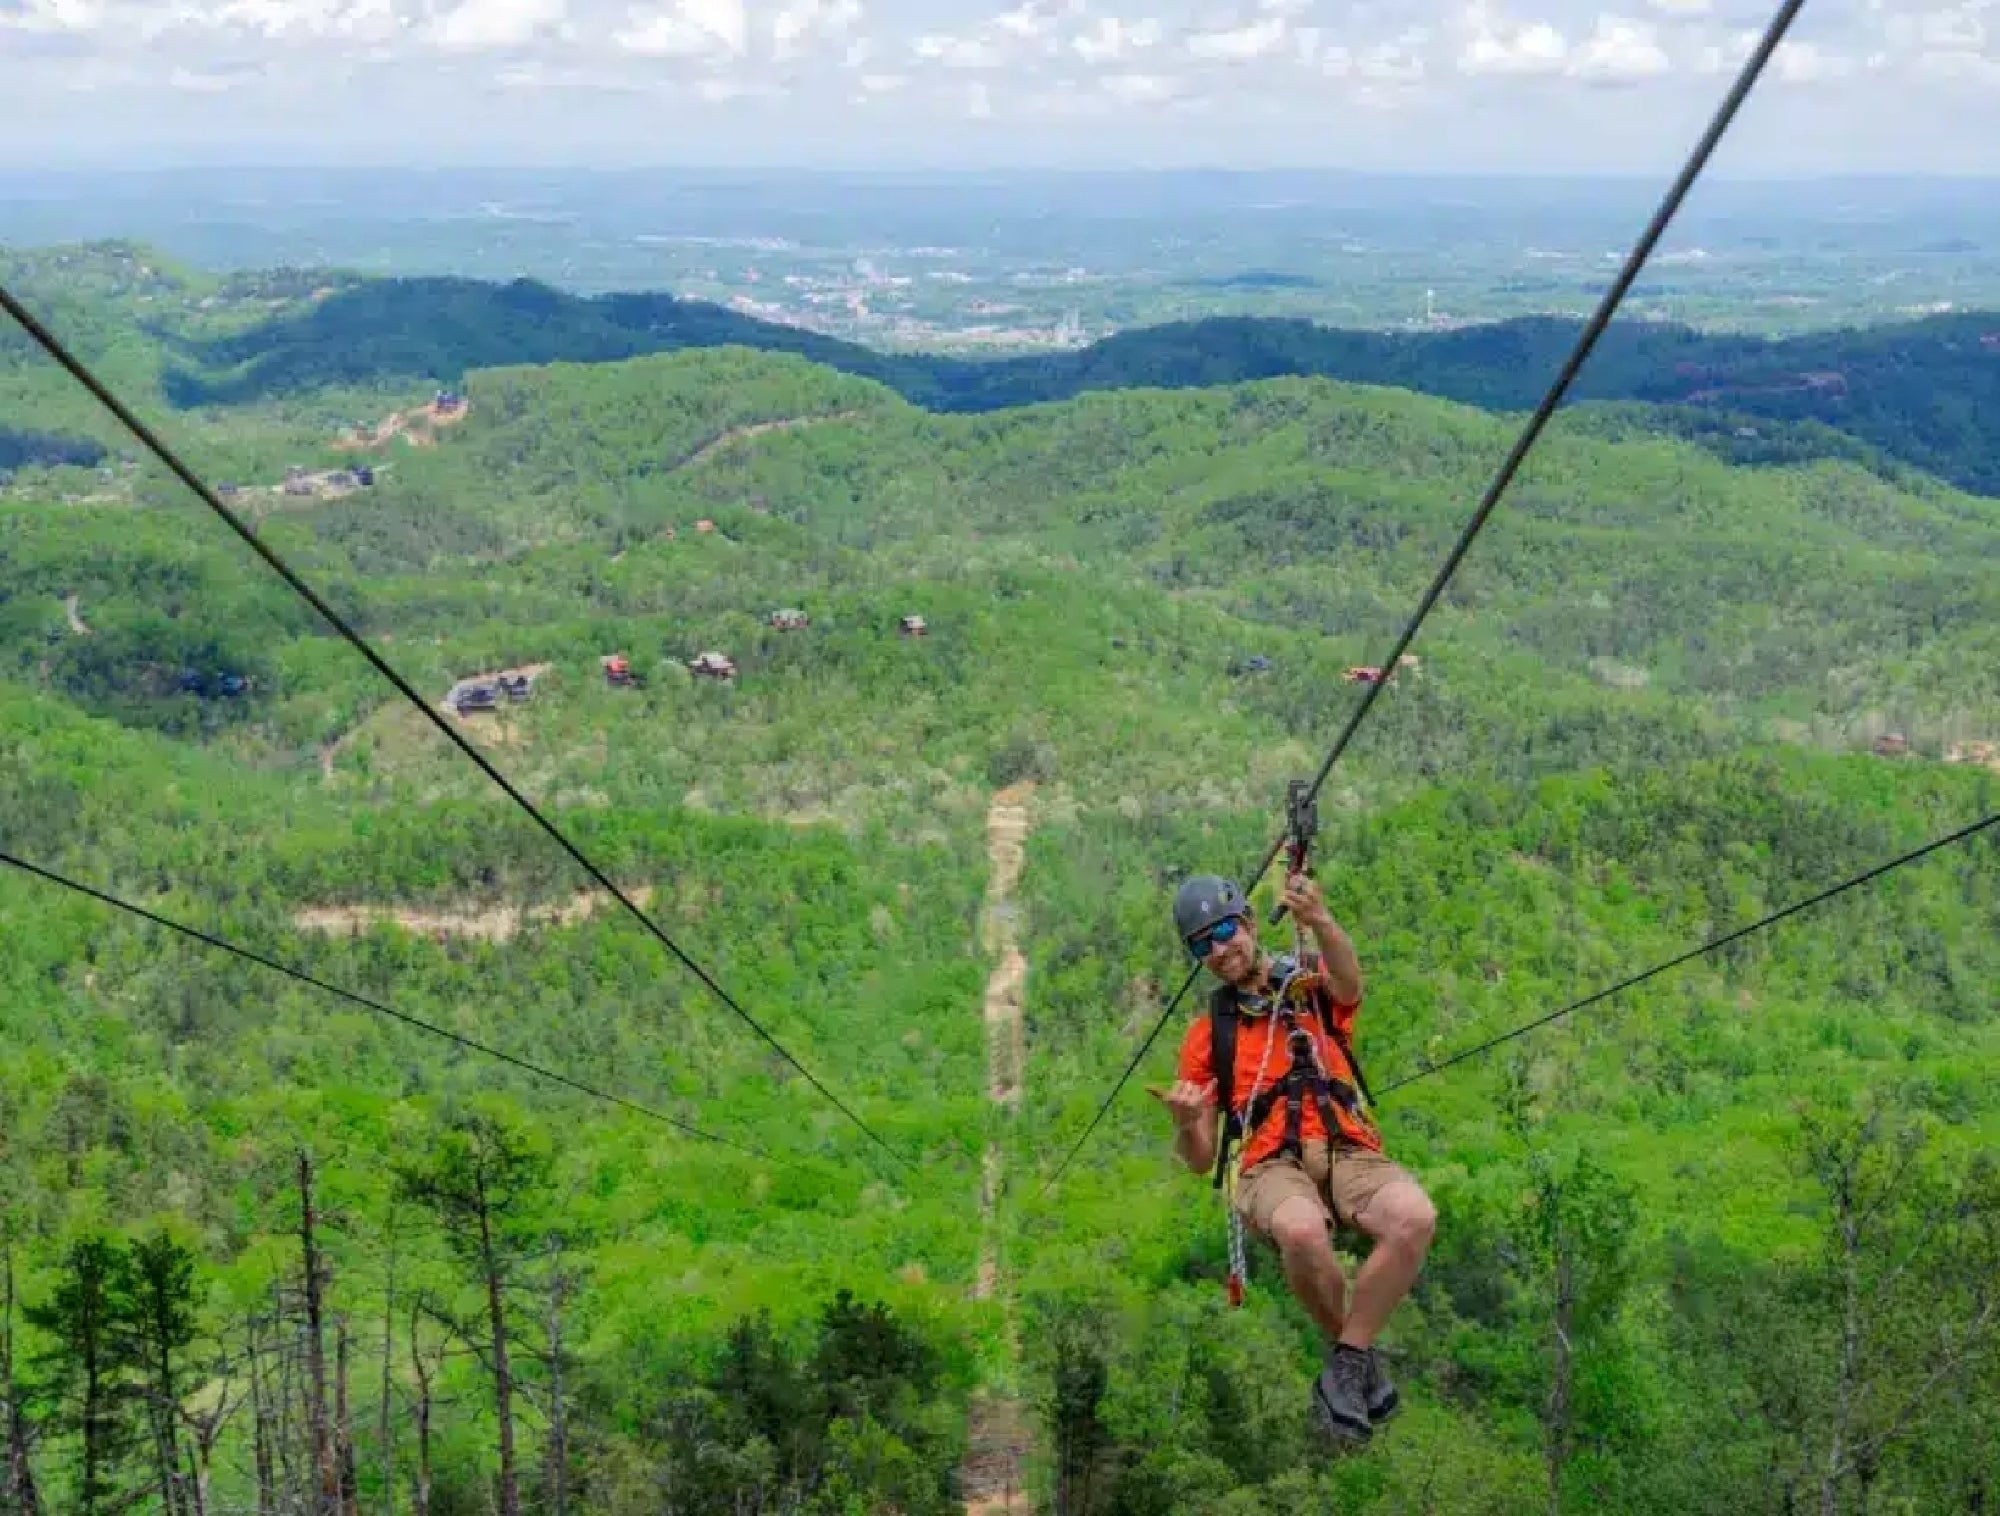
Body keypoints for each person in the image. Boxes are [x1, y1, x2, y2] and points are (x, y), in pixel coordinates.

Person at [1151, 871, 1437, 1447]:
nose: (1220, 948)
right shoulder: (1208, 1035)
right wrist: (1186, 1124)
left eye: (1226, 929)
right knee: (1302, 1231)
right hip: (1269, 1162)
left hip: (1343, 1143)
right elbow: (1202, 1160)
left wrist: (1321, 921)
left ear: (1250, 925)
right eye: (1203, 943)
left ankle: (1349, 1361)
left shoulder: (1305, 988)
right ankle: (1357, 1360)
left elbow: (1350, 985)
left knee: (1415, 1217)